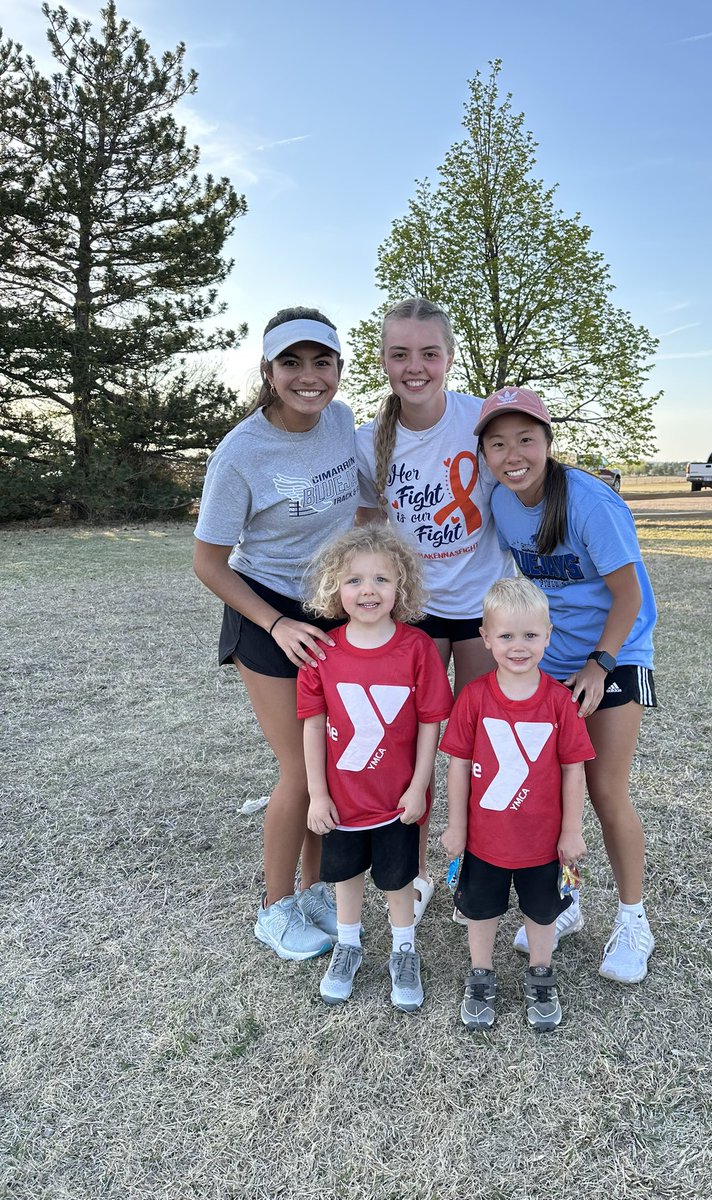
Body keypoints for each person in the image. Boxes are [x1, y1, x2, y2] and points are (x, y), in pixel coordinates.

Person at [474, 386, 659, 985]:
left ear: (548, 442)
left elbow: (629, 597)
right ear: (485, 453)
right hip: (552, 658)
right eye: (497, 444)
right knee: (550, 790)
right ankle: (566, 899)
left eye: (525, 440)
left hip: (615, 653)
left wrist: (599, 664)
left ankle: (633, 920)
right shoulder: (502, 502)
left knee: (604, 788)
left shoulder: (589, 501)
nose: (512, 455)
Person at [193, 307, 359, 962]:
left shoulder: (342, 422)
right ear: (268, 371)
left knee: (334, 765)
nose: (308, 376)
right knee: (300, 769)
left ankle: (314, 890)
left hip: (332, 610)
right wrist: (276, 622)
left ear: (339, 369)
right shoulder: (241, 453)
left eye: (322, 362)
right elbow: (208, 562)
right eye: (292, 362)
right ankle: (274, 907)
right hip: (267, 611)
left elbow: (361, 507)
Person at [355, 297, 514, 922]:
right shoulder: (369, 442)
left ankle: (474, 864)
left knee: (477, 744)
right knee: (406, 748)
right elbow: (368, 530)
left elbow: (526, 482)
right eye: (400, 354)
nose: (414, 366)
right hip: (413, 614)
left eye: (428, 353)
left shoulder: (481, 420)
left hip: (478, 610)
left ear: (449, 356)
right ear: (383, 360)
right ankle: (414, 874)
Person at [299, 526, 453, 1010]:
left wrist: (419, 785)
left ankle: (404, 949)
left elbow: (430, 722)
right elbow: (312, 725)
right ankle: (348, 945)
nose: (368, 590)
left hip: (396, 798)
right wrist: (318, 794)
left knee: (397, 879)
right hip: (343, 798)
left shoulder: (417, 648)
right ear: (335, 588)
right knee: (345, 874)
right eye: (354, 580)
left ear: (401, 586)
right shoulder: (323, 651)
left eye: (381, 579)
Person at [439, 577, 594, 1031]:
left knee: (541, 912)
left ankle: (541, 975)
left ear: (548, 636)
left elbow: (573, 770)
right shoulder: (474, 697)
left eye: (530, 635)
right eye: (506, 635)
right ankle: (480, 974)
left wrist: (571, 830)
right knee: (479, 909)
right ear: (486, 638)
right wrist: (456, 825)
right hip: (484, 839)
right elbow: (458, 766)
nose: (518, 646)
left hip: (543, 842)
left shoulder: (560, 703)